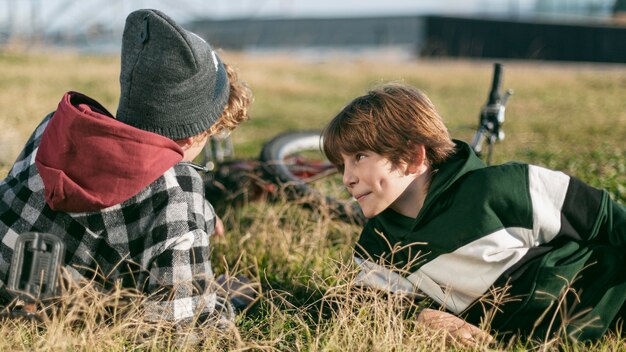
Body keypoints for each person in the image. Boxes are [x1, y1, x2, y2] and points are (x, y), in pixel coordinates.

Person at [0, 9, 252, 325]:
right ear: (194, 134)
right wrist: (222, 307)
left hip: (6, 279)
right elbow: (182, 330)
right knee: (232, 291)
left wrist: (198, 211)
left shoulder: (56, 128)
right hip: (65, 318)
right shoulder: (176, 196)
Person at [321, 83, 626, 343]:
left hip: (613, 296)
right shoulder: (377, 244)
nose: (347, 178)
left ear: (413, 157)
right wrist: (421, 316)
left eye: (360, 157)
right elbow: (359, 303)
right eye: (342, 164)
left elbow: (605, 217)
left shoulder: (500, 187)